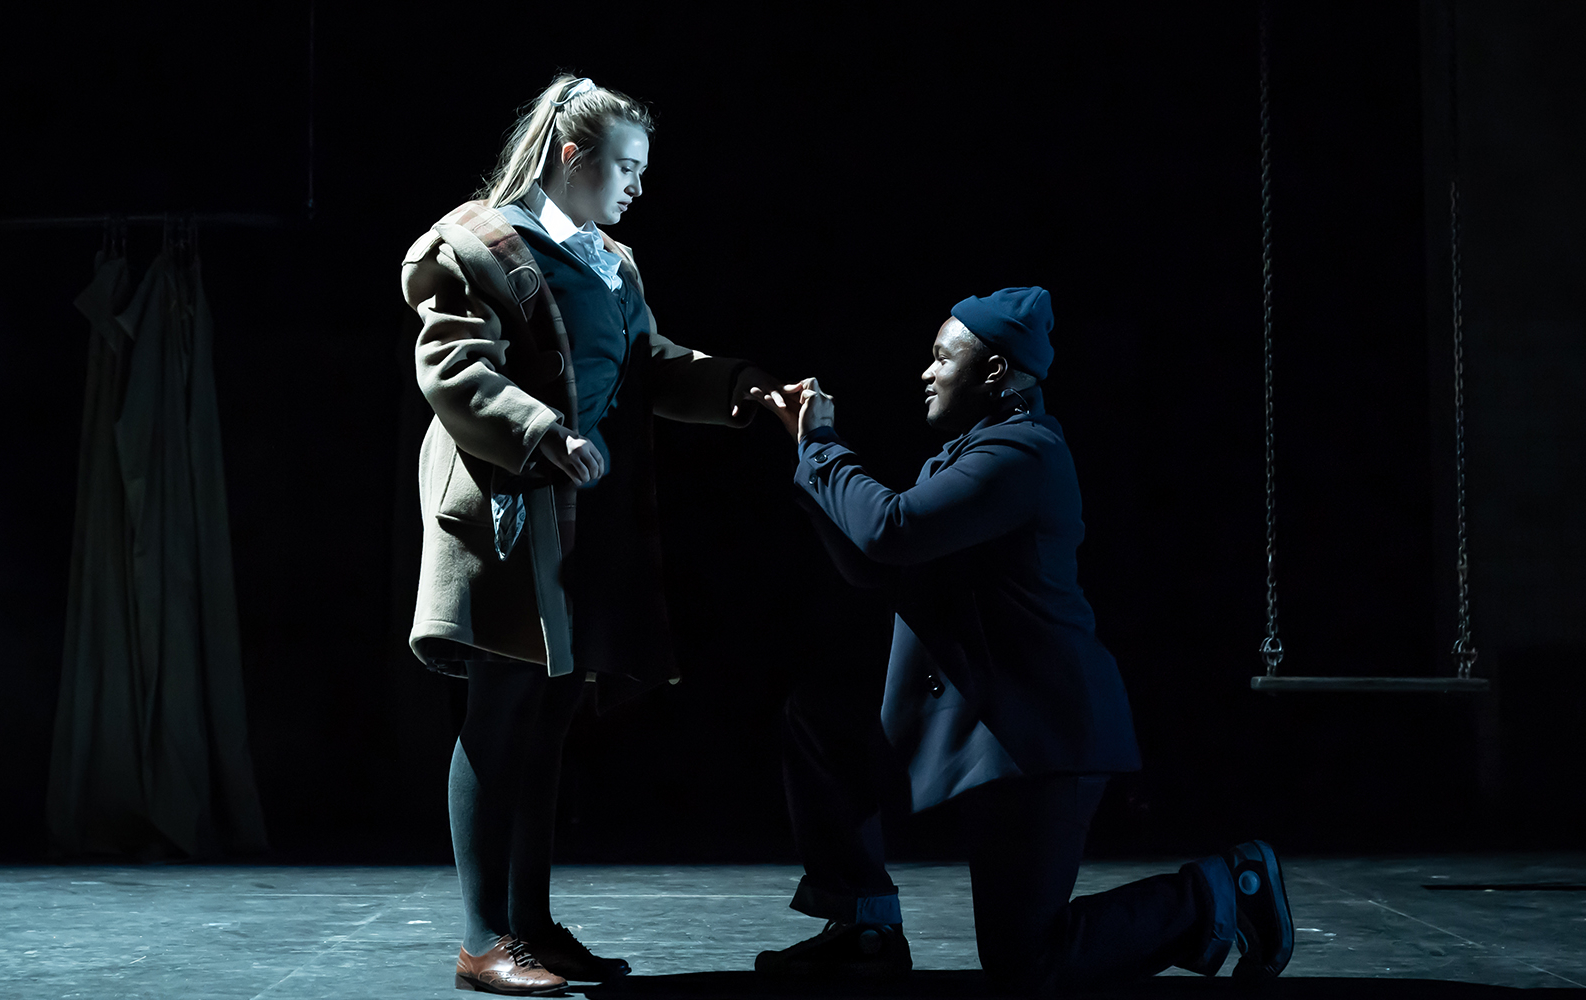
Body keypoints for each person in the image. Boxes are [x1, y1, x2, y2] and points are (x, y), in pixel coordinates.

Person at [749, 287, 1294, 993]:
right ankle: (863, 928)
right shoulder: (969, 454)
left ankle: (1223, 890)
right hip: (982, 720)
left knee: (1026, 959)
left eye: (943, 357)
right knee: (822, 719)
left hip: (1042, 731)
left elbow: (892, 531)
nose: (927, 372)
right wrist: (805, 456)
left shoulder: (1021, 455)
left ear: (996, 370)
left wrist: (821, 447)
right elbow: (876, 561)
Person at [401, 74, 788, 995]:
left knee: (547, 723)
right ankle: (483, 940)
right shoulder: (477, 247)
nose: (637, 188)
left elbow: (647, 364)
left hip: (583, 521)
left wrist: (739, 386)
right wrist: (543, 433)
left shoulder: (611, 260)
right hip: (509, 511)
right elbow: (453, 366)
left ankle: (530, 926)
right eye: (625, 167)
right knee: (500, 716)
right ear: (572, 158)